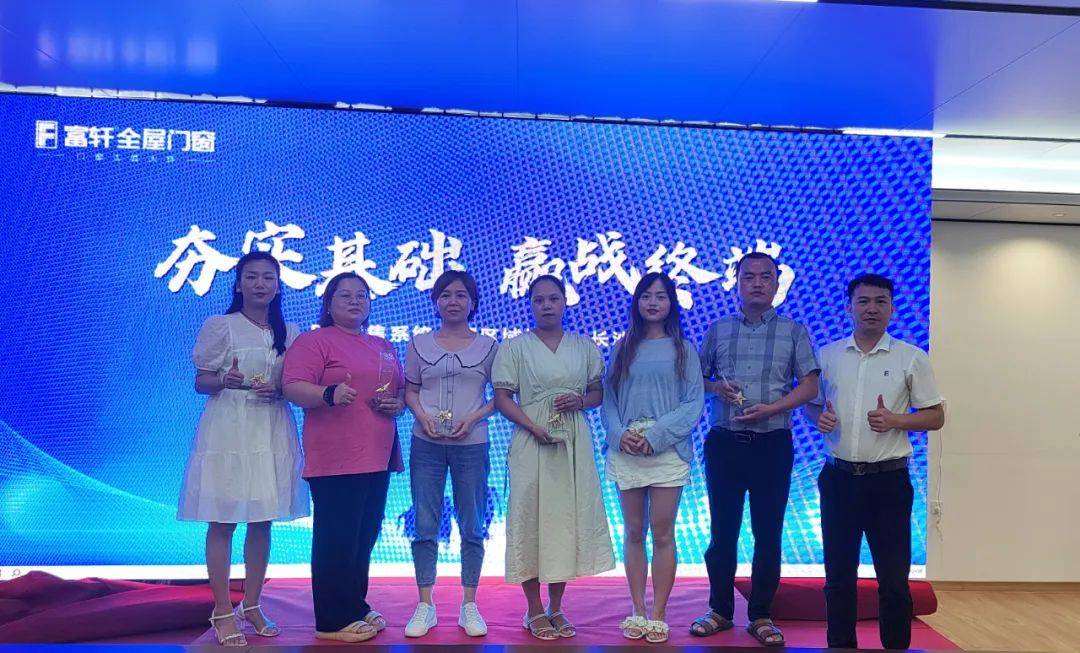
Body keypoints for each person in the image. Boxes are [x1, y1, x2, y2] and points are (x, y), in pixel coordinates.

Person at [807, 273, 945, 650]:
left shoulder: (911, 357)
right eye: (863, 301)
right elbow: (811, 404)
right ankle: (840, 645)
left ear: (892, 309)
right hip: (838, 479)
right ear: (848, 306)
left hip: (888, 482)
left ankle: (896, 646)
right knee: (838, 577)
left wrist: (896, 420)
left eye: (880, 301)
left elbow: (936, 416)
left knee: (894, 578)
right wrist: (819, 418)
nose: (871, 309)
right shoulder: (827, 356)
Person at [178, 251, 309, 647]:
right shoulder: (221, 326)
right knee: (222, 520)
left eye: (268, 277)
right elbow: (201, 381)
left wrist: (279, 388)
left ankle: (252, 604)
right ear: (238, 284)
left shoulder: (290, 332)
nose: (260, 284)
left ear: (278, 285)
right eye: (251, 277)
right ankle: (222, 609)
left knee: (262, 519)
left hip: (270, 427)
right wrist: (224, 380)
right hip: (229, 429)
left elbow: (294, 382)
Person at [693, 252, 820, 647]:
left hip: (772, 444)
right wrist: (716, 387)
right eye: (749, 277)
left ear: (777, 283)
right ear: (737, 282)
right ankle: (719, 610)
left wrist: (775, 408)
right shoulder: (718, 329)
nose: (758, 283)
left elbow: (810, 386)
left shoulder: (794, 331)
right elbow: (696, 379)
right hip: (725, 443)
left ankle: (761, 614)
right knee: (722, 532)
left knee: (768, 532)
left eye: (766, 276)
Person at [282, 272, 405, 643]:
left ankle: (354, 605)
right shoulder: (313, 341)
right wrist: (329, 393)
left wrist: (396, 405)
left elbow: (398, 393)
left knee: (364, 536)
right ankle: (332, 620)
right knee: (337, 537)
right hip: (336, 457)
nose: (355, 301)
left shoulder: (382, 344)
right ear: (328, 303)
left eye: (362, 295)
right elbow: (292, 387)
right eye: (345, 295)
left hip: (377, 453)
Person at [491, 274, 614, 641]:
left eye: (553, 298)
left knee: (564, 521)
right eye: (539, 300)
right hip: (531, 440)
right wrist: (532, 426)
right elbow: (502, 398)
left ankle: (556, 607)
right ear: (531, 305)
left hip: (572, 441)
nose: (546, 305)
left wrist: (580, 401)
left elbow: (597, 393)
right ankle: (533, 609)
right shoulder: (514, 347)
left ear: (564, 302)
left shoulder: (584, 346)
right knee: (529, 518)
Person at [602, 272, 704, 644]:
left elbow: (693, 404)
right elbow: (609, 401)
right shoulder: (622, 347)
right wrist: (620, 435)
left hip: (667, 452)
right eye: (646, 296)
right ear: (637, 303)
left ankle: (659, 613)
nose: (653, 303)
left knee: (662, 533)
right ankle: (637, 610)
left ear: (671, 303)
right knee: (633, 532)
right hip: (627, 449)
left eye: (660, 296)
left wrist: (656, 436)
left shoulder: (684, 349)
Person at [402, 271, 497, 638]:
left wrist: (473, 418)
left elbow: (501, 397)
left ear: (473, 303)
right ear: (435, 302)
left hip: (472, 445)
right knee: (425, 522)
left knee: (472, 523)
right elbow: (410, 390)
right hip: (426, 443)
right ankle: (425, 605)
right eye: (445, 295)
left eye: (460, 295)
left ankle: (469, 604)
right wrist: (422, 416)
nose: (453, 301)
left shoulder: (489, 346)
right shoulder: (418, 343)